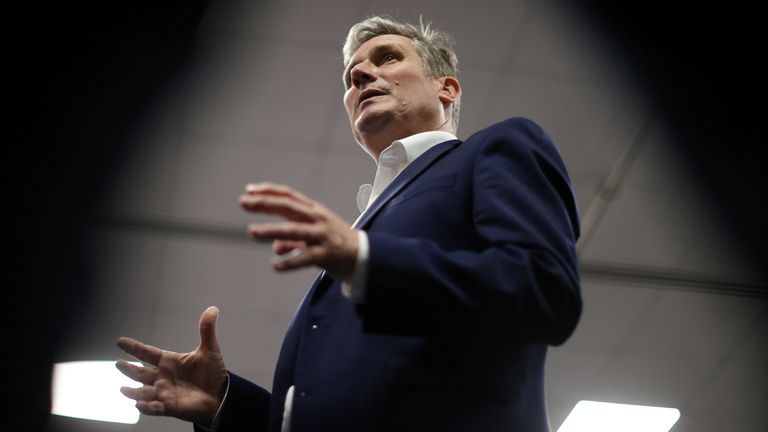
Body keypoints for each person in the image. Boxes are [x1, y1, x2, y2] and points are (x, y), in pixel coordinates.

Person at [116, 16, 582, 432]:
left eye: (387, 57)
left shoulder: (495, 149)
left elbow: (545, 289)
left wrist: (365, 259)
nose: (359, 74)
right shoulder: (365, 221)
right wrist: (225, 403)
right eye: (351, 74)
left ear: (447, 89)